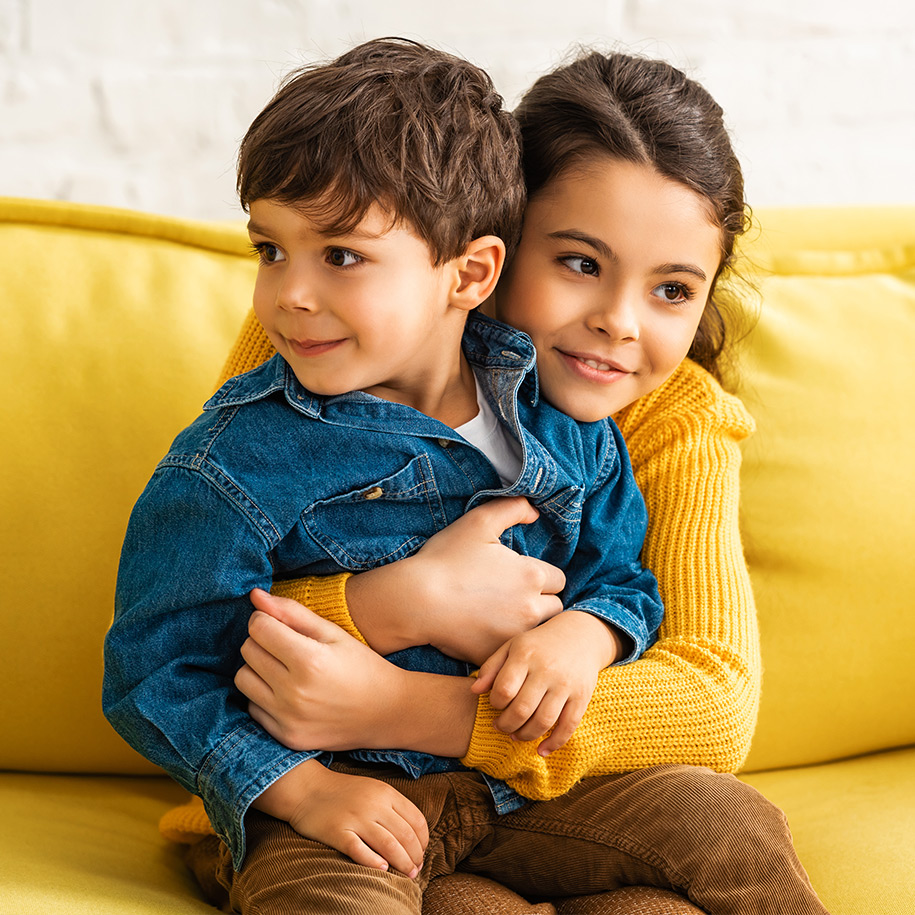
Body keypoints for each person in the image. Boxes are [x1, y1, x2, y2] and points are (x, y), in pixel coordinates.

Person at [159, 48, 831, 915]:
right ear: (486, 255)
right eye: (580, 264)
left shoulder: (665, 421)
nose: (617, 324)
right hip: (332, 800)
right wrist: (391, 604)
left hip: (528, 798)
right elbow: (197, 605)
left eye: (671, 289)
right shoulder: (320, 344)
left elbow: (711, 701)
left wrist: (415, 700)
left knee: (690, 867)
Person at [103, 36, 673, 915]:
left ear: (470, 272)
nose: (290, 293)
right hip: (328, 814)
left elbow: (622, 579)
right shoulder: (230, 462)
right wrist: (299, 791)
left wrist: (586, 636)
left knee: (724, 826)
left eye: (339, 255)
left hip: (512, 791)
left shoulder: (564, 423)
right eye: (270, 249)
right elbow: (157, 672)